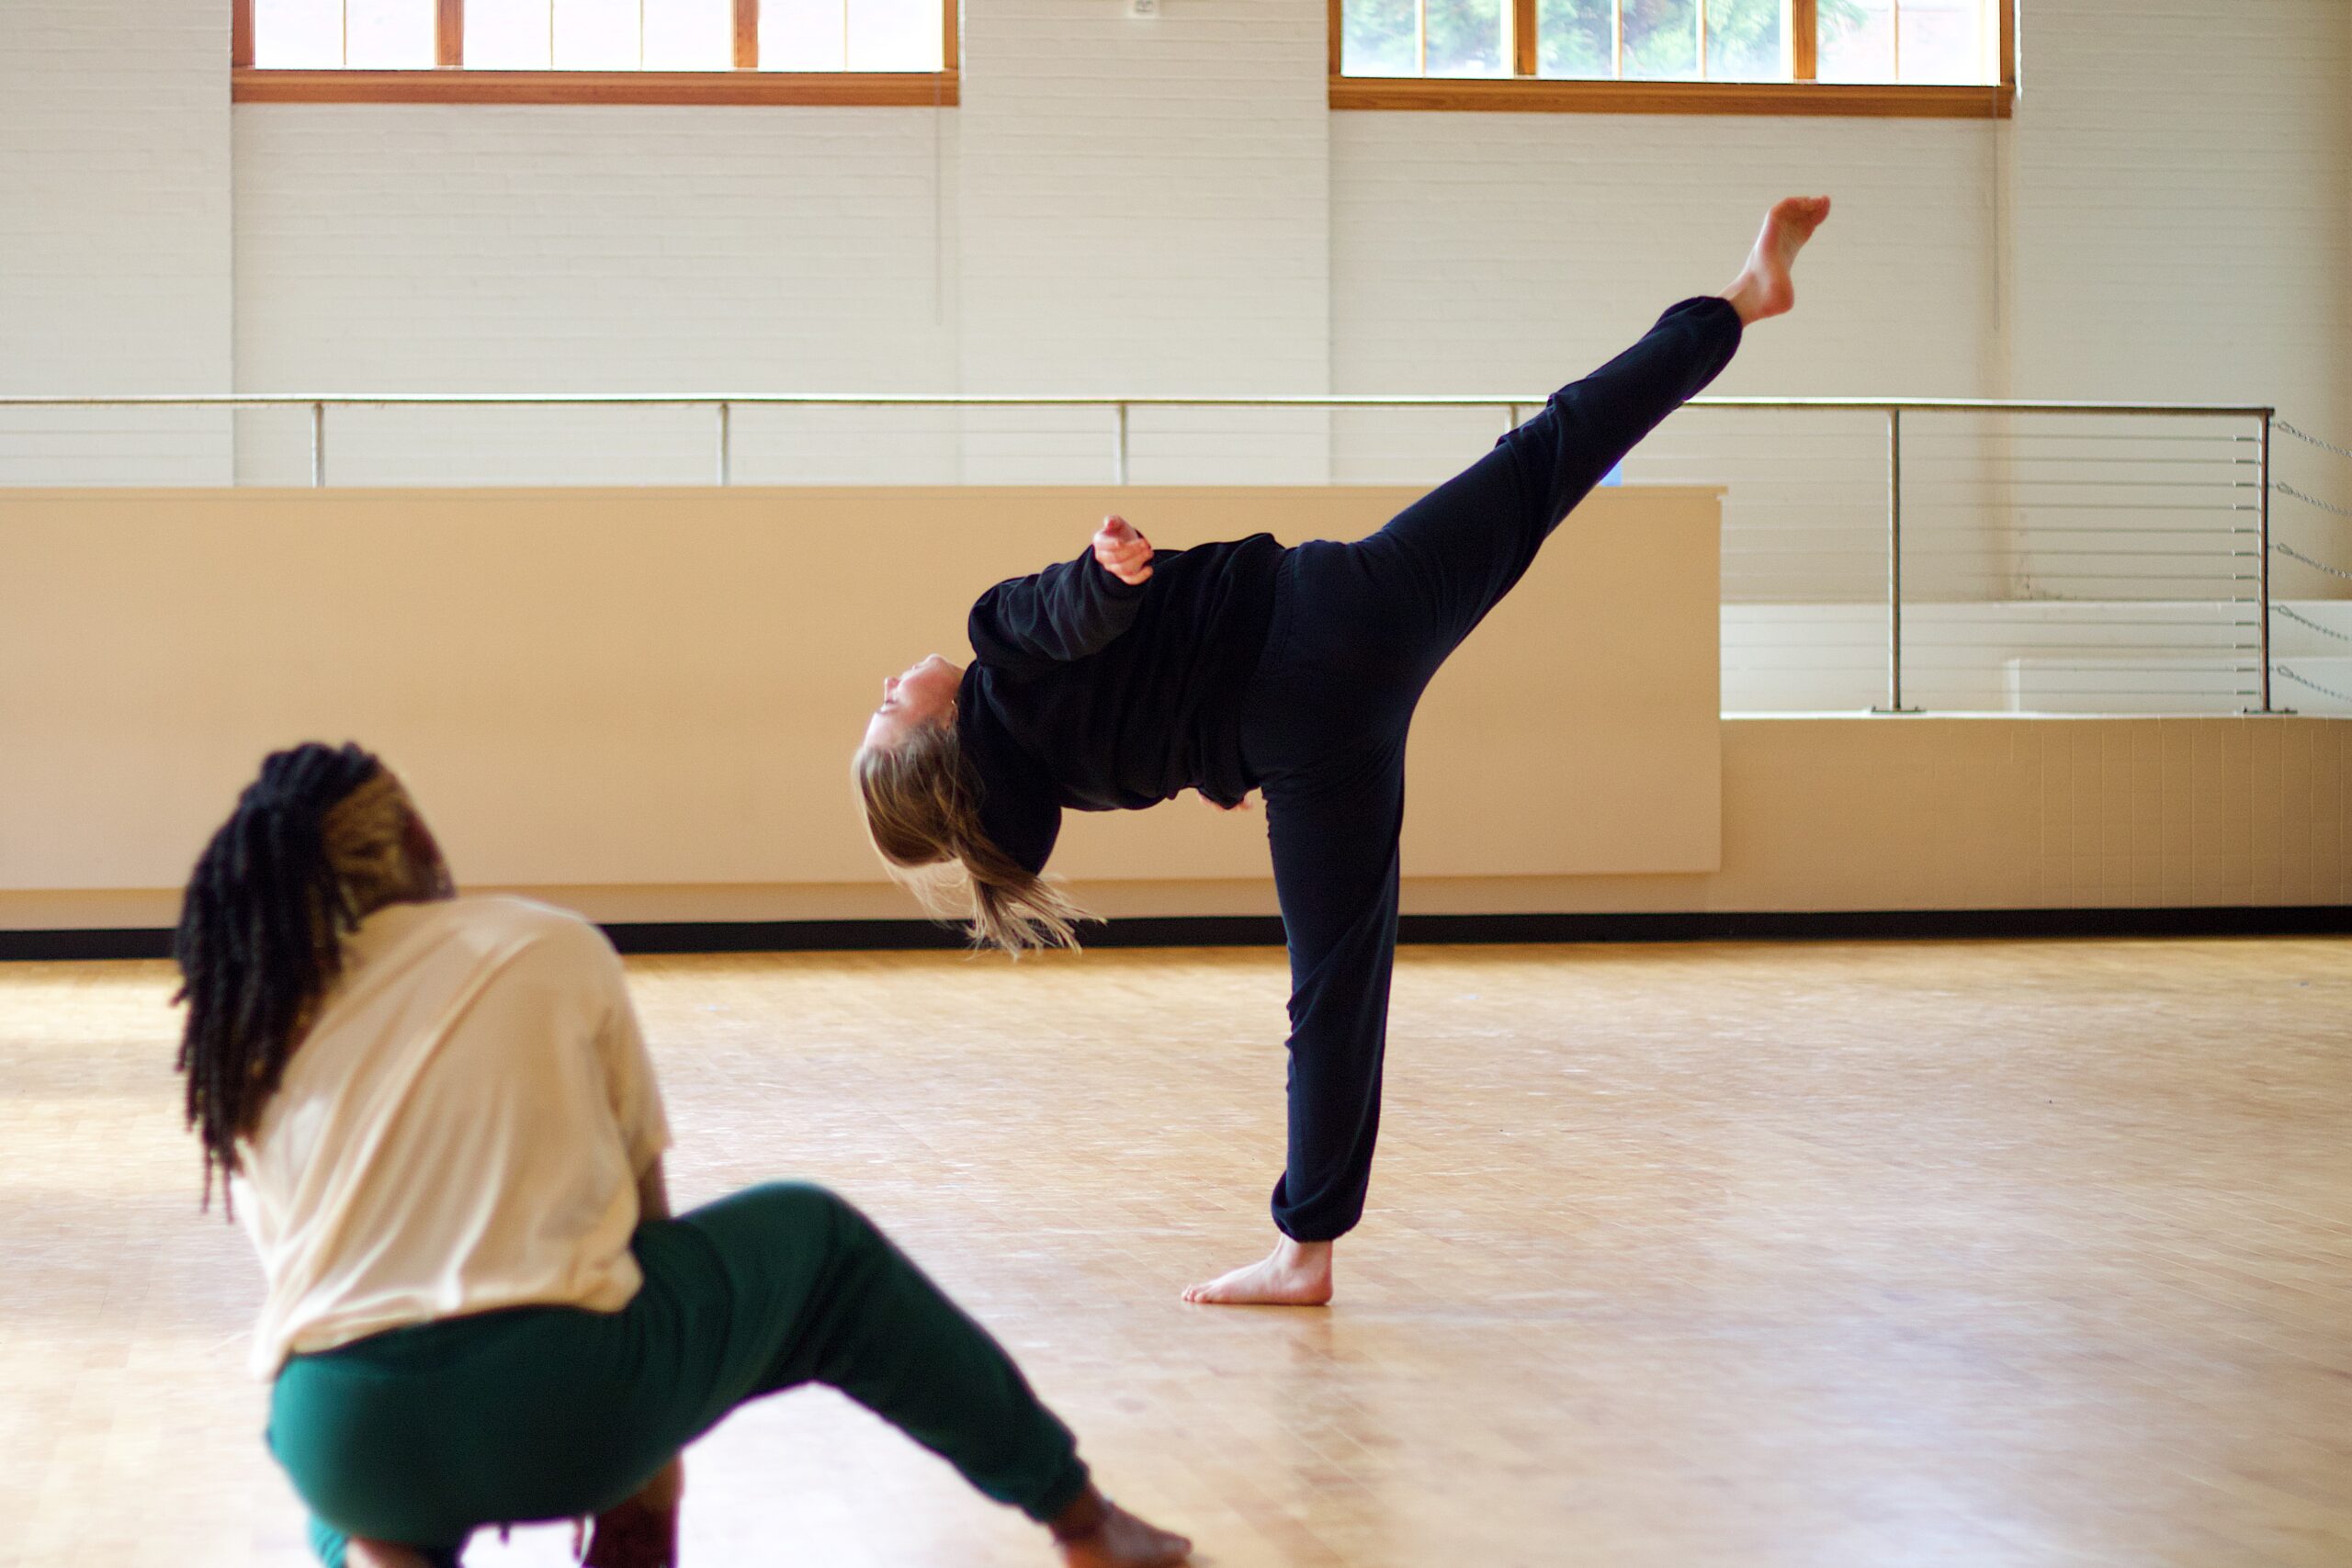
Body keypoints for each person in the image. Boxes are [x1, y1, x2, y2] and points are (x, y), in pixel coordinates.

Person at [854, 197, 1831, 1307]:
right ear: (933, 741)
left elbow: (1168, 741)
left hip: (1315, 741)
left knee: (1335, 983)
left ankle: (1304, 1252)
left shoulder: (1054, 782)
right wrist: (1102, 572)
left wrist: (1221, 759)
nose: (889, 685)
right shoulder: (993, 645)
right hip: (1330, 619)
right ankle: (1742, 300)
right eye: (889, 709)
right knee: (1549, 451)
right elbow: (1060, 620)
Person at [173, 742, 1193, 1568]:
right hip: (563, 1403)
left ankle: (373, 1548)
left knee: (362, 1429)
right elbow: (639, 1225)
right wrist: (644, 1473)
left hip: (338, 1431)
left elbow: (328, 1281)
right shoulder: (538, 943)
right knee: (819, 1241)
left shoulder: (246, 1016)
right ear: (409, 839)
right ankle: (1081, 1520)